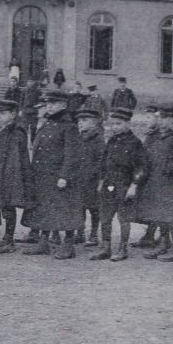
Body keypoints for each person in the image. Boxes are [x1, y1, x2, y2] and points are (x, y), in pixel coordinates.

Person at [23, 89, 78, 258]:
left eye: (53, 103)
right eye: (48, 103)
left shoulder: (69, 126)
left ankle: (69, 245)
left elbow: (72, 154)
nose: (50, 106)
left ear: (64, 105)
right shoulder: (48, 123)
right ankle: (43, 243)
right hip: (43, 175)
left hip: (59, 177)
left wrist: (64, 176)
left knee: (65, 210)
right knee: (45, 209)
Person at [91, 107, 147, 261]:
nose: (115, 127)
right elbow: (104, 162)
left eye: (119, 124)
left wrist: (134, 185)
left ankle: (123, 249)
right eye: (113, 124)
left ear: (128, 124)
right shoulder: (112, 140)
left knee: (123, 218)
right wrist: (101, 181)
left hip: (124, 184)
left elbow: (141, 167)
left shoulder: (135, 143)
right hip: (109, 184)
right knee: (105, 216)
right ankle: (106, 247)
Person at [138, 103, 173, 262]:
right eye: (159, 118)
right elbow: (144, 153)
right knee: (157, 213)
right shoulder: (153, 135)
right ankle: (163, 243)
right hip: (153, 180)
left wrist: (168, 169)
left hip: (168, 182)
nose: (161, 121)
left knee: (170, 215)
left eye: (165, 118)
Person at [0, 97, 35, 252]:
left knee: (8, 205)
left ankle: (9, 239)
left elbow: (16, 158)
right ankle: (6, 238)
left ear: (13, 114)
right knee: (4, 204)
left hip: (11, 174)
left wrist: (8, 176)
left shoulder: (17, 132)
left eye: (3, 113)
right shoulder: (0, 131)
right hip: (1, 173)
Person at [70, 106, 106, 248]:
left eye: (84, 120)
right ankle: (80, 232)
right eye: (79, 120)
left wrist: (98, 178)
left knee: (94, 208)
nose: (80, 123)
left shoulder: (98, 140)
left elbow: (102, 161)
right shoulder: (78, 138)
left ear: (94, 123)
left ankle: (94, 234)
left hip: (93, 180)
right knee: (79, 206)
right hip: (79, 179)